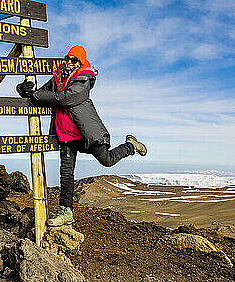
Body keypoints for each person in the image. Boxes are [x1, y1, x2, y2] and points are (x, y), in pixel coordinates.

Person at [16, 45, 147, 227]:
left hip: (85, 134)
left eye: (74, 60)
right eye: (68, 58)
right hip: (65, 136)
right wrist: (23, 89)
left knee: (107, 160)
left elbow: (64, 98)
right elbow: (41, 93)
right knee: (66, 174)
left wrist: (37, 95)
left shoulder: (84, 80)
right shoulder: (58, 78)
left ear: (81, 62)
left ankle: (131, 146)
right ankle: (66, 211)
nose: (69, 62)